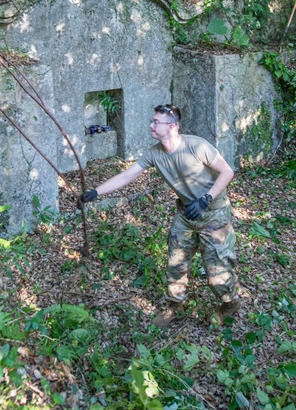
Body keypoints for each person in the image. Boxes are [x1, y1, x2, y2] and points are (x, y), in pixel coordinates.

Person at [80, 104, 240, 327]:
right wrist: (96, 192)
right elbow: (127, 176)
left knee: (217, 271)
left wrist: (206, 199)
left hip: (213, 214)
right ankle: (176, 307)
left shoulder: (196, 146)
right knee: (176, 263)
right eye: (152, 121)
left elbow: (227, 171)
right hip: (185, 215)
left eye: (156, 122)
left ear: (172, 126)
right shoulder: (155, 153)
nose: (151, 125)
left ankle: (229, 304)